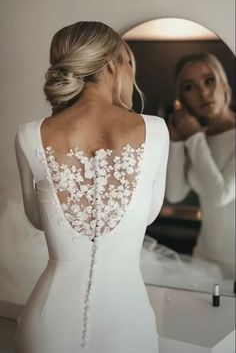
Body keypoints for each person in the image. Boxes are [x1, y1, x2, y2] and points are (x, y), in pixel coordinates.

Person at [14, 21, 169, 353]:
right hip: (128, 323)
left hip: (46, 326)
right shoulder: (155, 130)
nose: (132, 76)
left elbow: (37, 220)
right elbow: (149, 215)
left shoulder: (29, 136)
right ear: (112, 63)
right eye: (130, 63)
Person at [165, 53, 235, 279]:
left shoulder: (197, 140)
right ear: (183, 101)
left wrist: (194, 137)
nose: (203, 93)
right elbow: (175, 195)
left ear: (223, 82)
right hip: (204, 258)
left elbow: (220, 195)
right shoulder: (198, 140)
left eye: (209, 80)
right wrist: (176, 142)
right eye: (190, 87)